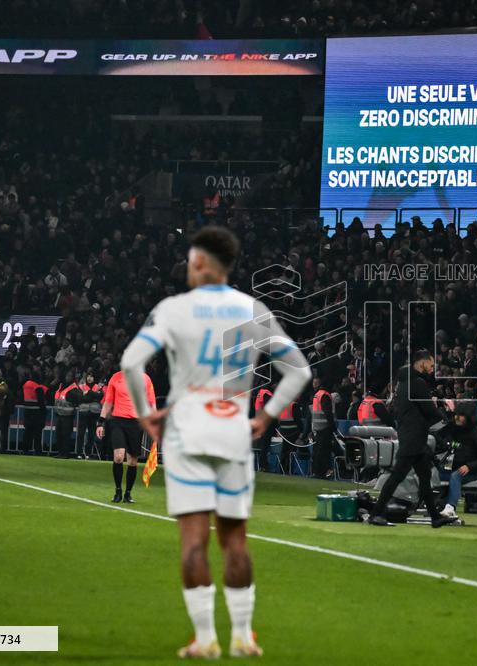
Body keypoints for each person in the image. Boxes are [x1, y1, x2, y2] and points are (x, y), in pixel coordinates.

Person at [119, 227, 311, 658]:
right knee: (234, 540)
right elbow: (299, 370)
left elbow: (131, 361)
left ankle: (205, 639)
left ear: (200, 262)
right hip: (232, 429)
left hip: (187, 431)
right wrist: (266, 414)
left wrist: (145, 413)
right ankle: (243, 636)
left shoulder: (173, 309)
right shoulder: (253, 309)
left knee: (193, 541)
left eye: (190, 260)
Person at [368, 351, 458, 528]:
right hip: (413, 437)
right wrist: (446, 413)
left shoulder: (404, 382)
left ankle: (435, 517)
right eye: (431, 365)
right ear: (421, 363)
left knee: (424, 477)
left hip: (412, 435)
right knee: (398, 475)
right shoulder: (417, 383)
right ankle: (375, 513)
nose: (432, 369)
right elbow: (429, 410)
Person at [97, 366, 156, 503]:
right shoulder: (116, 378)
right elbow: (108, 402)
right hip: (118, 421)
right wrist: (100, 422)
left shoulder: (145, 379)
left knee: (132, 461)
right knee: (118, 457)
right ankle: (118, 491)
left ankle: (128, 493)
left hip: (136, 423)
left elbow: (151, 403)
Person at [435, 401, 477, 519]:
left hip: (472, 471)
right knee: (430, 472)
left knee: (456, 475)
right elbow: (437, 435)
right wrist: (447, 443)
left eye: (461, 415)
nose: (457, 417)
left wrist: (469, 466)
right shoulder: (453, 427)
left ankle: (450, 508)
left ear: (469, 417)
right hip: (452, 466)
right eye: (456, 414)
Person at [310, 379, 337, 478]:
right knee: (324, 451)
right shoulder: (325, 395)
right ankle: (321, 472)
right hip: (325, 427)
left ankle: (315, 471)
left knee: (317, 451)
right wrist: (333, 426)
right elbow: (328, 412)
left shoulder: (317, 394)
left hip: (317, 426)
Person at [75, 372, 104, 459]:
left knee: (91, 434)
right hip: (83, 412)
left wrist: (88, 393)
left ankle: (88, 453)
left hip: (94, 413)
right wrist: (93, 396)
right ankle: (79, 453)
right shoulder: (82, 386)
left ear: (94, 378)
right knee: (81, 433)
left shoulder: (98, 386)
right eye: (88, 376)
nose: (89, 378)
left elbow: (100, 396)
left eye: (91, 376)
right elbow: (80, 398)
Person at [53, 371, 81, 458]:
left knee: (66, 435)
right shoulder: (61, 386)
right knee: (59, 435)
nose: (67, 377)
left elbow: (77, 399)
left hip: (68, 416)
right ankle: (60, 453)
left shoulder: (73, 388)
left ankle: (65, 454)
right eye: (67, 375)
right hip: (59, 414)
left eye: (70, 376)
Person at [20, 369, 48, 455]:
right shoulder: (37, 387)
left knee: (27, 432)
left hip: (27, 411)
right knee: (37, 433)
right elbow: (41, 401)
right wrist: (44, 411)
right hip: (36, 413)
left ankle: (25, 450)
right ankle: (38, 451)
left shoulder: (25, 385)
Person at [252, 385, 274, 471]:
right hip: (265, 423)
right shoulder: (266, 393)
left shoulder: (259, 394)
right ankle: (263, 465)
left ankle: (262, 465)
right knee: (265, 446)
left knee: (263, 446)